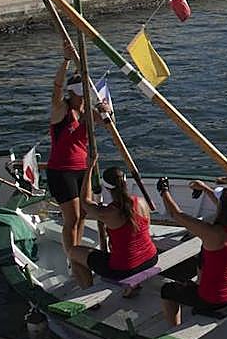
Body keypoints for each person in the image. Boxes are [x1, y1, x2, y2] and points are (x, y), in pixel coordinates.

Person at [158, 178, 227, 325]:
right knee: (205, 255)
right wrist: (205, 189)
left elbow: (177, 215)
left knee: (167, 290)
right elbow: (225, 206)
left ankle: (173, 327)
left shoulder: (213, 233)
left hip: (214, 299)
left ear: (223, 209)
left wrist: (164, 191)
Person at [69, 167, 157, 293]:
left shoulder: (109, 212)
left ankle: (89, 294)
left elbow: (85, 202)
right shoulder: (142, 202)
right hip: (151, 258)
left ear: (107, 188)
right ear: (125, 183)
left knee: (73, 252)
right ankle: (132, 287)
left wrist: (89, 170)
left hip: (126, 268)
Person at [48, 46, 101, 254]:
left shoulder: (89, 112)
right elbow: (56, 89)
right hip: (61, 171)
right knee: (73, 218)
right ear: (72, 93)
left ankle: (76, 250)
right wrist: (65, 61)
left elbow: (109, 123)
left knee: (83, 215)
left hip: (83, 170)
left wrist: (106, 110)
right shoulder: (62, 110)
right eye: (79, 94)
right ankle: (72, 258)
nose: (81, 97)